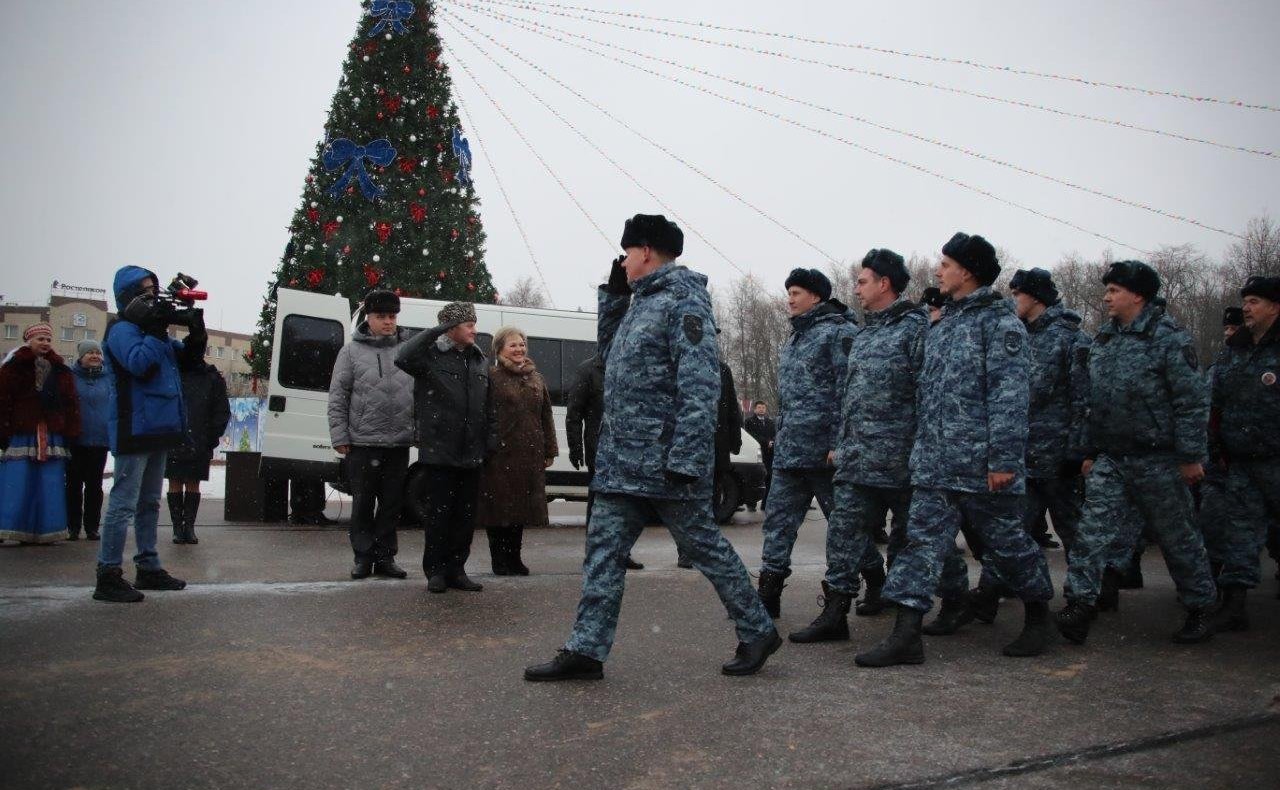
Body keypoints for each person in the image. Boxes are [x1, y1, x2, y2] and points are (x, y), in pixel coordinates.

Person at [525, 214, 780, 681]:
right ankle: (586, 649)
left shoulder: (684, 302)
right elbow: (608, 360)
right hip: (623, 462)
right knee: (602, 553)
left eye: (626, 254)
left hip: (664, 464)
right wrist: (614, 301)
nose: (622, 262)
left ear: (645, 251)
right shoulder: (641, 303)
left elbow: (700, 384)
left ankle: (757, 628)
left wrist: (685, 457)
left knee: (703, 548)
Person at [856, 232, 1055, 667]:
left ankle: (1039, 614)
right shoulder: (944, 324)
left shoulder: (1000, 325)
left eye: (945, 265)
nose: (938, 271)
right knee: (919, 546)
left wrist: (1002, 460)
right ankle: (906, 633)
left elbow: (1010, 397)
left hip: (982, 468)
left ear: (967, 272)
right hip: (935, 464)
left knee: (1007, 545)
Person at [1055, 261, 1217, 645]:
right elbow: (1095, 400)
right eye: (1107, 290)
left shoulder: (1169, 338)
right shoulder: (1105, 339)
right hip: (1113, 457)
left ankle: (1201, 607)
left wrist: (1191, 456)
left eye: (1114, 290)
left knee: (1178, 539)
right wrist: (1090, 450)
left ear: (1138, 295)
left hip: (1158, 459)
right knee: (1091, 535)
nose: (1106, 297)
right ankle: (1080, 605)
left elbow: (1191, 402)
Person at [789, 249, 928, 644]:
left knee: (911, 543)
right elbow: (850, 398)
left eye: (863, 281)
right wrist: (843, 443)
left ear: (885, 284)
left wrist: (921, 453)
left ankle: (912, 623)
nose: (857, 288)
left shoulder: (916, 331)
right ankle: (835, 614)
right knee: (843, 536)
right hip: (857, 460)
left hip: (901, 462)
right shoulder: (866, 334)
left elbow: (928, 397)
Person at [958, 268, 1090, 625]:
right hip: (1022, 456)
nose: (1012, 298)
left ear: (1036, 297)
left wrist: (1078, 451)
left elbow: (1083, 400)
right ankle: (988, 593)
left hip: (1058, 456)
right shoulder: (1014, 335)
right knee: (1010, 529)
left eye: (1018, 293)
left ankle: (1084, 598)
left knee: (1074, 531)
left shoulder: (1070, 340)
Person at [94, 266, 206, 602]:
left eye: (154, 290)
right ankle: (108, 572)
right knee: (124, 503)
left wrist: (196, 335)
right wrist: (157, 331)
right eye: (145, 291)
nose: (152, 297)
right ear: (128, 296)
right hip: (135, 427)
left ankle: (148, 565)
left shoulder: (152, 332)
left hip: (158, 429)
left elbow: (185, 361)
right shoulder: (122, 331)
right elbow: (139, 363)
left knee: (149, 503)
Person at [756, 267, 857, 619]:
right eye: (789, 292)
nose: (790, 299)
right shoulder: (796, 338)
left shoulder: (840, 334)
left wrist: (837, 443)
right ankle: (767, 596)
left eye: (796, 292)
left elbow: (848, 392)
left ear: (816, 296)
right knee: (777, 524)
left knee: (844, 528)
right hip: (791, 453)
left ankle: (872, 579)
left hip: (825, 456)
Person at [395, 301, 493, 594]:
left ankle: (457, 570)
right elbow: (403, 356)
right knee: (439, 517)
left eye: (474, 323)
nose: (475, 329)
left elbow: (487, 407)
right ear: (451, 329)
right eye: (468, 324)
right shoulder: (430, 358)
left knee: (464, 519)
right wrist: (437, 329)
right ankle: (435, 572)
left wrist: (489, 441)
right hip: (440, 452)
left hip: (471, 453)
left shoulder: (479, 360)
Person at [1205, 276, 1280, 630]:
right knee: (1239, 531)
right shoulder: (1235, 348)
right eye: (1246, 301)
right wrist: (1217, 443)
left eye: (1254, 302)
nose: (1246, 308)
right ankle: (1234, 605)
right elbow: (1215, 398)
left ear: (1275, 307)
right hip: (1242, 461)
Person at [327, 289, 414, 579]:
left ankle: (386, 557)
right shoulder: (350, 352)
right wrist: (340, 436)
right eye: (381, 316)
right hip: (363, 442)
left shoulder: (408, 349)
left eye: (392, 316)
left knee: (391, 505)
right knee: (363, 504)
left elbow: (421, 395)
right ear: (369, 318)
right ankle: (363, 557)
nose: (388, 322)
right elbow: (338, 396)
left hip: (399, 442)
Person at [478, 326, 558, 575]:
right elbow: (481, 415)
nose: (519, 349)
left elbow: (546, 415)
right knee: (499, 509)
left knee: (521, 509)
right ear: (499, 349)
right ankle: (499, 559)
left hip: (529, 453)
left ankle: (514, 557)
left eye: (522, 344)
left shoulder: (536, 378)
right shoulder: (491, 377)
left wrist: (549, 450)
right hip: (499, 455)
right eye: (513, 345)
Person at [0, 323, 80, 544]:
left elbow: (70, 401)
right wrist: (4, 428)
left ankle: (45, 530)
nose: (44, 343)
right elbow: (4, 399)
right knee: (19, 481)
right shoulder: (14, 367)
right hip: (23, 430)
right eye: (40, 339)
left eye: (47, 340)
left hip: (51, 431)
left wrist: (71, 429)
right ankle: (13, 527)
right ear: (29, 341)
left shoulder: (61, 369)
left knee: (49, 482)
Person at [567, 355, 644, 570]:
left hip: (628, 449)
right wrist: (575, 448)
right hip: (599, 450)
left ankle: (622, 551)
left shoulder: (630, 365)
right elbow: (574, 413)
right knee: (600, 505)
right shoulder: (588, 370)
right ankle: (595, 555)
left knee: (627, 504)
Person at [165, 353, 230, 545]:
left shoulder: (211, 377)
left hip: (200, 439)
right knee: (175, 480)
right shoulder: (172, 373)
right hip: (174, 437)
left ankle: (189, 527)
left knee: (194, 482)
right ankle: (177, 528)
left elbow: (221, 410)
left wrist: (210, 437)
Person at [66, 339, 110, 541]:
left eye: (97, 353)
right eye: (89, 353)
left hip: (99, 441)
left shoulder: (109, 378)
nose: (94, 356)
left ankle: (92, 526)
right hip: (75, 440)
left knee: (94, 486)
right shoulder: (69, 377)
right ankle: (72, 526)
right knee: (73, 485)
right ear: (81, 356)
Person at [743, 400, 775, 509]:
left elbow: (774, 434)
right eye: (759, 407)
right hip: (755, 453)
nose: (761, 409)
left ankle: (765, 504)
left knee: (769, 478)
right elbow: (751, 435)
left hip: (769, 454)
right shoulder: (749, 421)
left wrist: (772, 442)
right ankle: (751, 504)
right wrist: (766, 442)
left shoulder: (770, 422)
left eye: (763, 407)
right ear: (755, 409)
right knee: (754, 479)